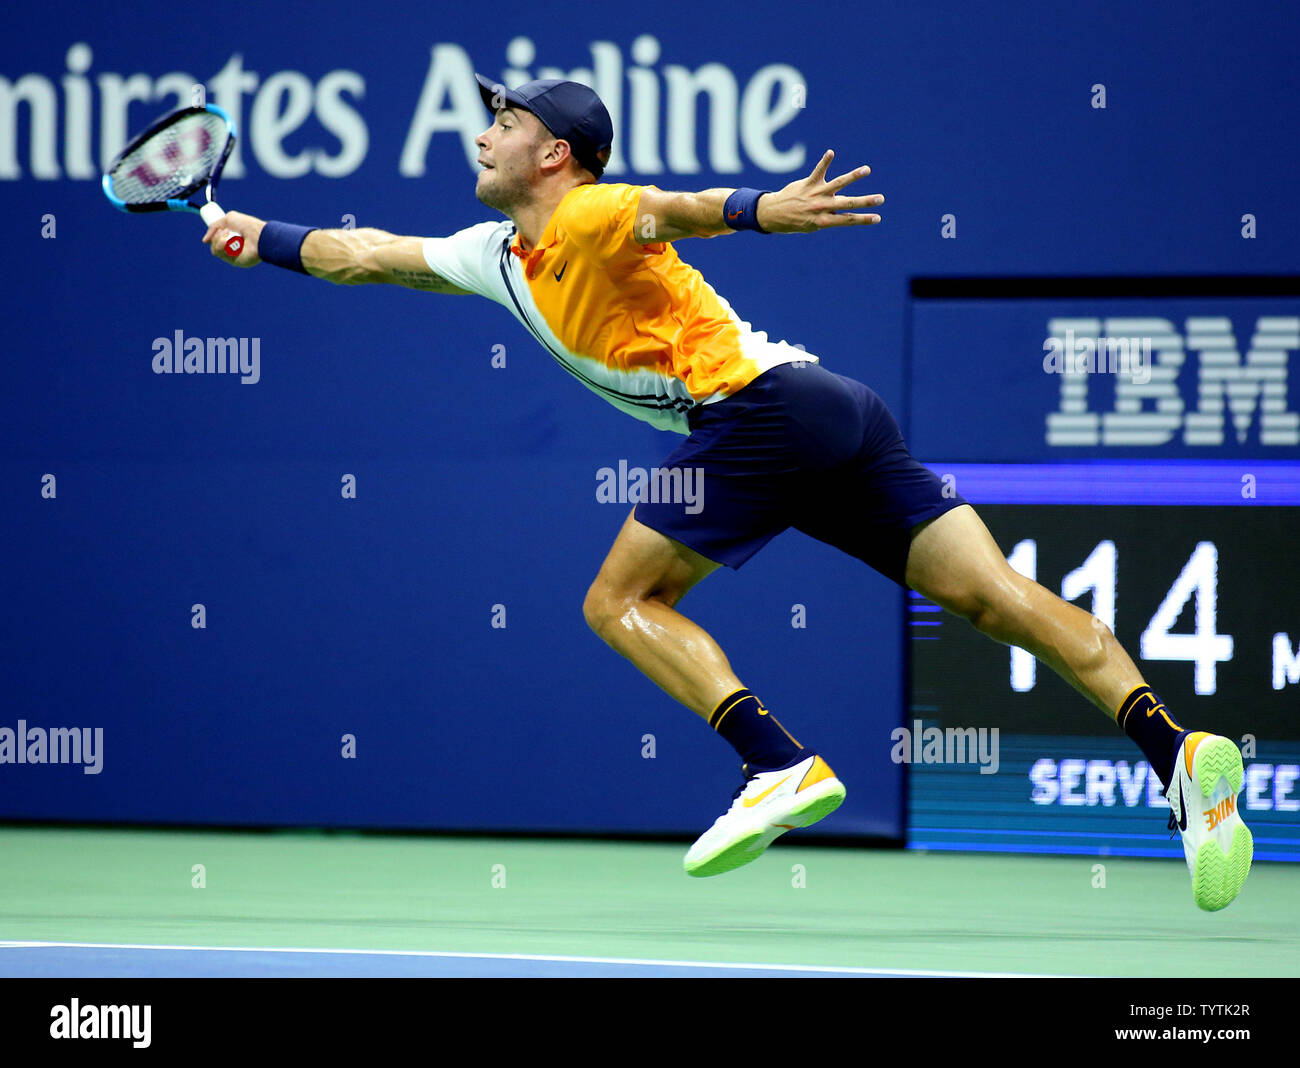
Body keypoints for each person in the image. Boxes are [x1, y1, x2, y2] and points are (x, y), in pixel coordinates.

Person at [203, 75, 1252, 909]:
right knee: (990, 598)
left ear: (552, 152)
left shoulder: (591, 211)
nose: (481, 132)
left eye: (503, 119)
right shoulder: (496, 253)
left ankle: (775, 764)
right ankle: (1181, 756)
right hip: (835, 408)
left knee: (616, 603)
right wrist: (263, 237)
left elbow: (667, 210)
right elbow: (373, 254)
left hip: (759, 412)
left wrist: (758, 210)